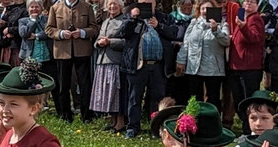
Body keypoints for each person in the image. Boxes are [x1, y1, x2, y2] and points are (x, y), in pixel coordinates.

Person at [121, 0, 180, 139]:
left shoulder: (164, 17)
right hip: (138, 64)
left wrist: (159, 26)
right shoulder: (130, 16)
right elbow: (124, 33)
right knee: (134, 98)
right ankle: (132, 128)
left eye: (149, 2)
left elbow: (173, 33)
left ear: (155, 3)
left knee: (157, 99)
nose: (146, 5)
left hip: (159, 65)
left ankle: (156, 128)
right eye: (143, 2)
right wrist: (132, 19)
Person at [45, 0, 99, 123]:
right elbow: (49, 29)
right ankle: (66, 115)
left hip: (82, 51)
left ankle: (86, 116)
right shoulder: (55, 7)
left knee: (85, 84)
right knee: (63, 85)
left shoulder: (87, 6)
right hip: (62, 52)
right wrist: (61, 33)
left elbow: (94, 28)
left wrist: (82, 32)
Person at [175, 0, 229, 110]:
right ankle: (194, 123)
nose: (205, 11)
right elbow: (186, 43)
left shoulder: (222, 23)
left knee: (213, 98)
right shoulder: (193, 23)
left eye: (208, 9)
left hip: (213, 68)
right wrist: (181, 61)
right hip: (194, 67)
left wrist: (215, 30)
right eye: (203, 8)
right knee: (194, 98)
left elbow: (226, 41)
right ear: (199, 10)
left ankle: (212, 124)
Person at [229, 0, 266, 135]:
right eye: (246, 1)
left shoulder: (256, 19)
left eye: (252, 2)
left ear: (257, 5)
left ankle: (249, 131)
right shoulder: (242, 17)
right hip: (237, 66)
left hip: (249, 67)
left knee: (248, 101)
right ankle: (246, 129)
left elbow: (255, 38)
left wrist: (244, 27)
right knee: (239, 99)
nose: (248, 4)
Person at [90, 0, 126, 133]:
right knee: (107, 94)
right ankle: (113, 120)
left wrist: (110, 42)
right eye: (110, 4)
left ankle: (120, 122)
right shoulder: (105, 22)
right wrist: (99, 43)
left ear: (120, 6)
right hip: (103, 61)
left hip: (116, 61)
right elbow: (97, 39)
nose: (112, 6)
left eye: (115, 4)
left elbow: (126, 42)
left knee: (116, 93)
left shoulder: (124, 21)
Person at [18, 0, 56, 95]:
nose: (34, 9)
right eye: (32, 7)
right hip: (30, 58)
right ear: (28, 9)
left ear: (41, 8)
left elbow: (48, 32)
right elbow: (24, 34)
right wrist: (33, 21)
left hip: (46, 57)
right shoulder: (23, 21)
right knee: (32, 83)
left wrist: (36, 36)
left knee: (53, 82)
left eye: (37, 6)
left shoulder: (46, 19)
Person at [0, 0, 27, 66]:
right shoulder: (10, 8)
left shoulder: (25, 9)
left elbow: (26, 26)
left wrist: (10, 30)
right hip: (7, 43)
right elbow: (6, 23)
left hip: (17, 45)